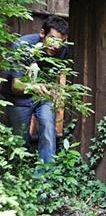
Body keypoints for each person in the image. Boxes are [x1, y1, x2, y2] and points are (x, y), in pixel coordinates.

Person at [1, 16, 69, 164]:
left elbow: (58, 73)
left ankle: (45, 176)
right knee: (19, 141)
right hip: (18, 97)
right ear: (42, 33)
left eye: (61, 41)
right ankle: (20, 176)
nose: (57, 46)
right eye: (53, 39)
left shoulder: (63, 49)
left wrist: (58, 91)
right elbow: (16, 85)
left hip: (43, 96)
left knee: (48, 130)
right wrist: (36, 87)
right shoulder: (23, 46)